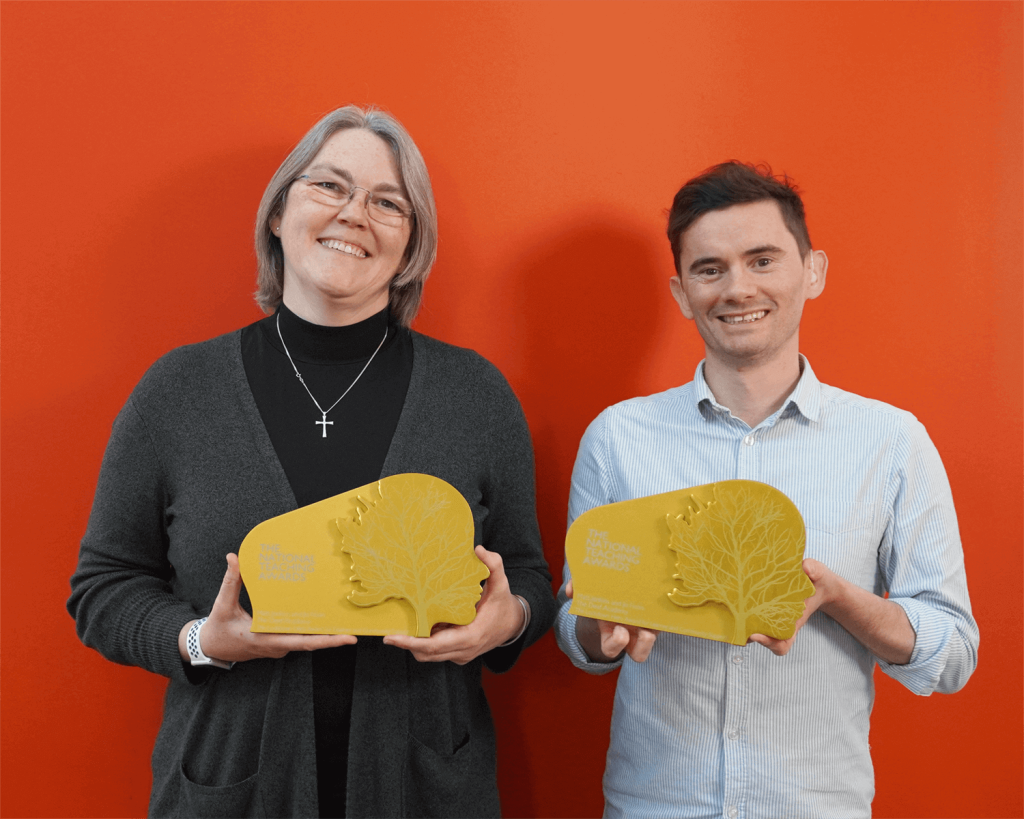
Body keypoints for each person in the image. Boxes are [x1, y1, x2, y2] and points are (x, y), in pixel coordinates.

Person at [68, 105, 555, 819]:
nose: (355, 213)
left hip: (424, 788)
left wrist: (507, 618)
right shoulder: (178, 392)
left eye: (388, 202)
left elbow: (531, 577)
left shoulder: (475, 396)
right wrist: (203, 640)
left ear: (412, 242)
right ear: (277, 213)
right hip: (227, 786)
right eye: (329, 186)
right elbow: (102, 587)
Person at [554, 162, 978, 818]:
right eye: (710, 268)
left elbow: (952, 652)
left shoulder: (892, 442)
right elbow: (577, 632)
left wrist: (842, 600)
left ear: (813, 271)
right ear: (680, 291)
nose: (737, 287)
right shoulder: (617, 438)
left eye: (762, 259)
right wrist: (596, 630)